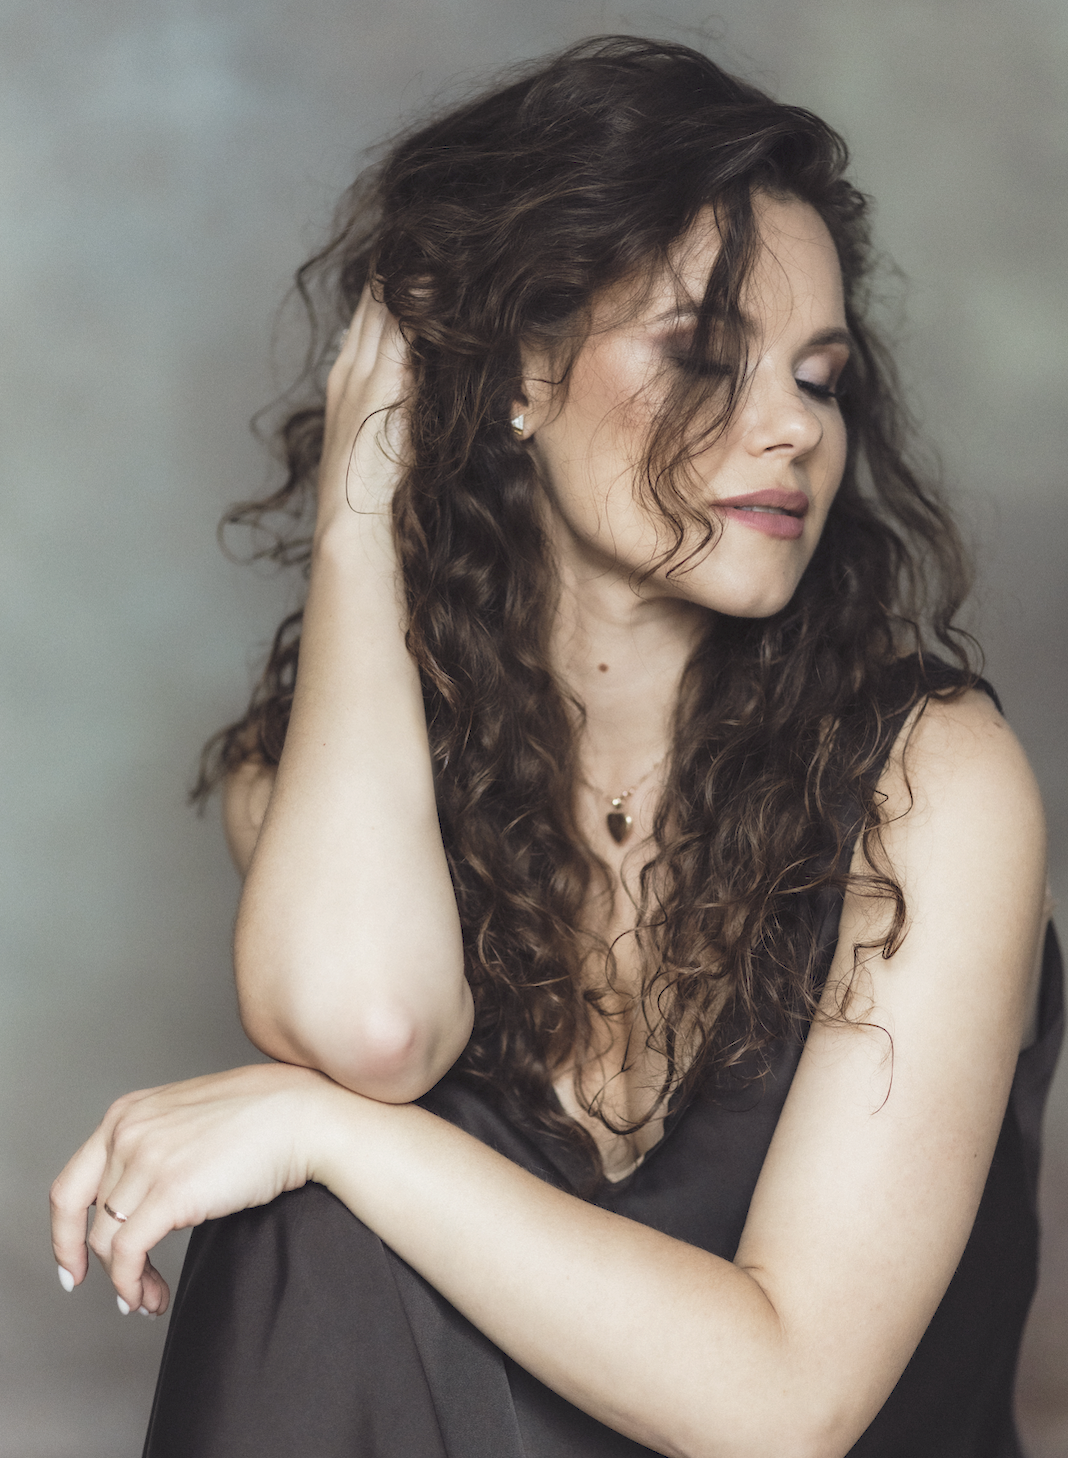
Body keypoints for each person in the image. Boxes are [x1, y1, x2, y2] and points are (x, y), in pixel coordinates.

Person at [50, 36, 1061, 1458]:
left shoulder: (933, 776)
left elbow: (788, 1403)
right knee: (304, 1229)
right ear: (519, 373)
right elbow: (368, 1028)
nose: (793, 429)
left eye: (822, 379)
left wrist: (331, 1131)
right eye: (704, 355)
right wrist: (361, 505)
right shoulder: (335, 778)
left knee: (315, 1166)